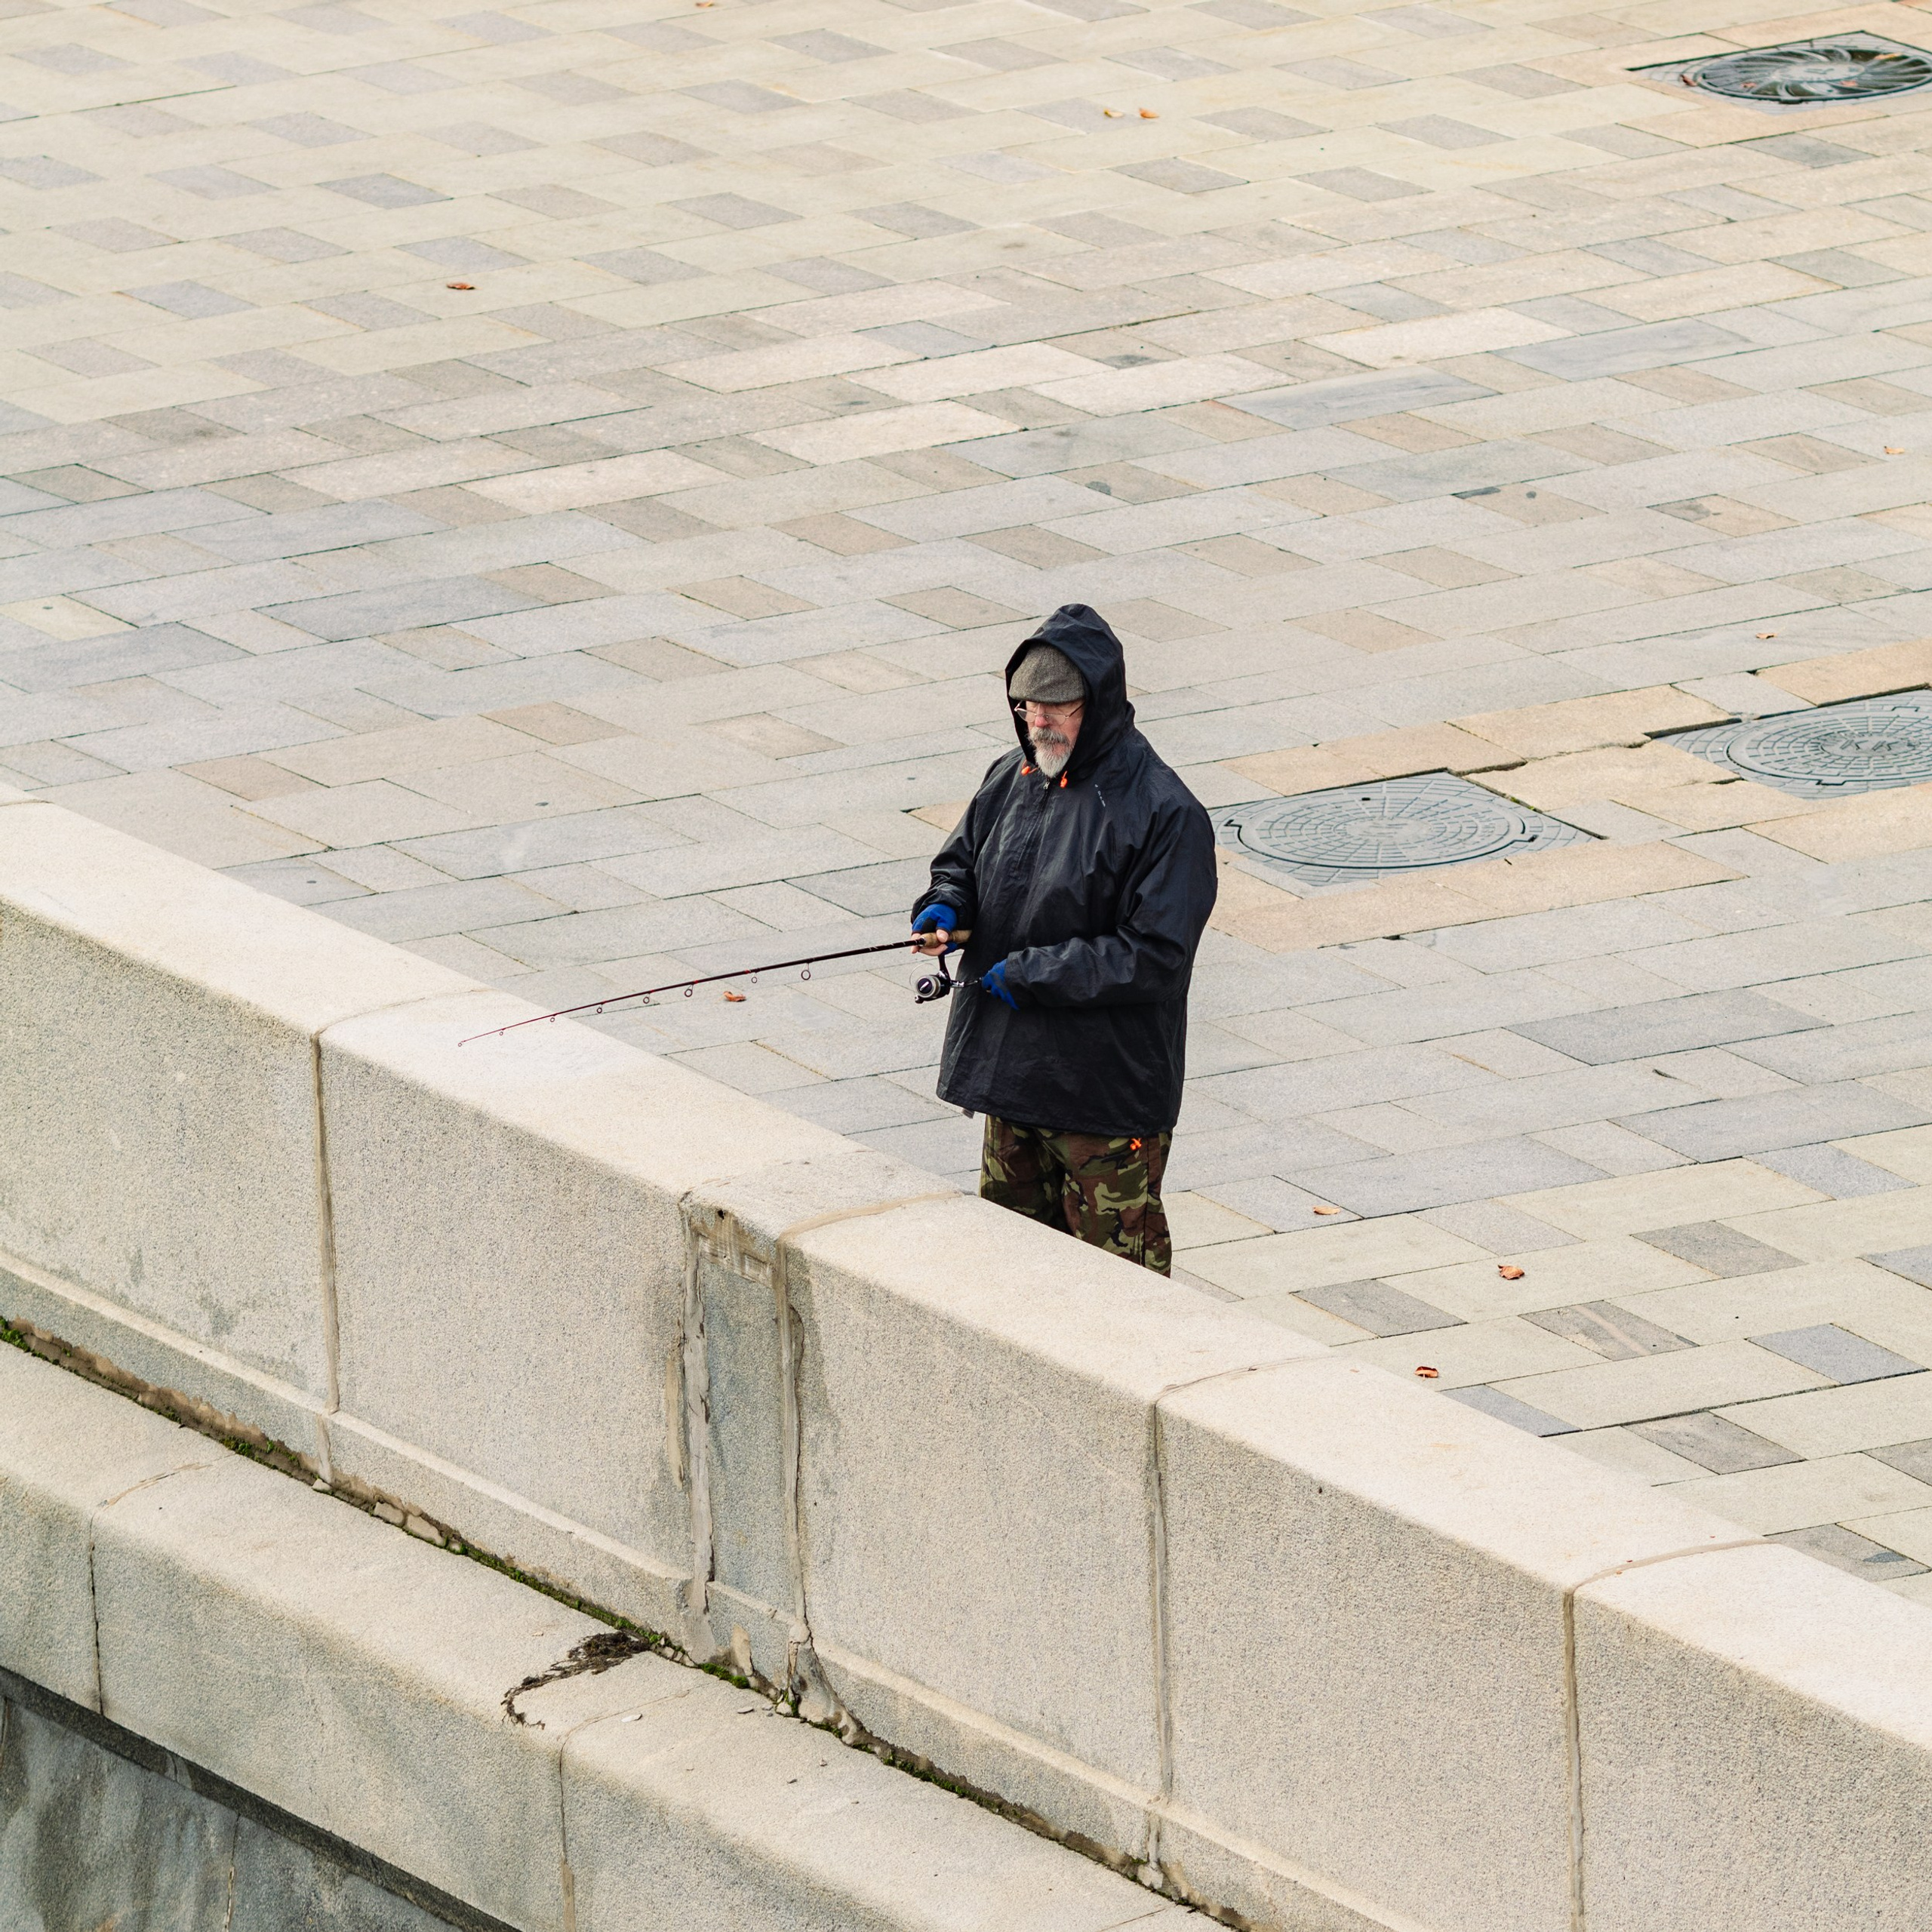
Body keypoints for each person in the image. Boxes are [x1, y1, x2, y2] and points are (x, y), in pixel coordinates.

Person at [910, 604, 1217, 1275]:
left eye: (1057, 707)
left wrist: (1032, 974)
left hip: (1103, 1101)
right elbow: (959, 863)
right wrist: (945, 907)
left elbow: (1156, 957)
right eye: (1025, 707)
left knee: (1120, 1291)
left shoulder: (1166, 814)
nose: (1038, 722)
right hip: (1013, 1083)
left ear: (1100, 703)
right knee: (1012, 1276)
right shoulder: (1011, 777)